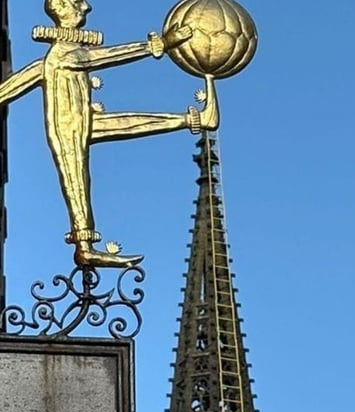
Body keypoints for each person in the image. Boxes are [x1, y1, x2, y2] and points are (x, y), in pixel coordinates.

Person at [0, 0, 218, 268]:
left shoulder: (55, 59)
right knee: (78, 179)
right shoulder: (63, 55)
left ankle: (194, 119)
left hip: (84, 119)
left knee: (131, 124)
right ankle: (84, 247)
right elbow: (105, 57)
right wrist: (158, 45)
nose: (86, 7)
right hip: (70, 129)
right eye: (78, 2)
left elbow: (12, 87)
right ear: (63, 7)